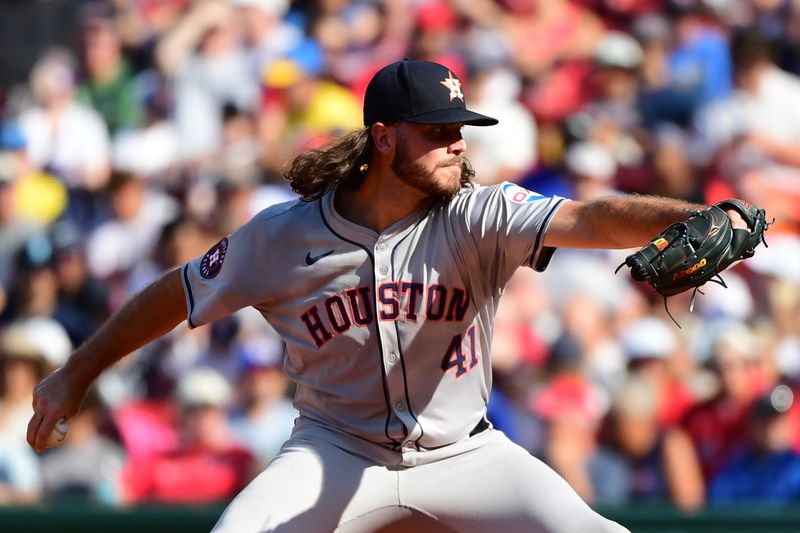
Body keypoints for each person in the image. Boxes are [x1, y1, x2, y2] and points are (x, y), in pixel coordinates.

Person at [28, 59, 754, 532]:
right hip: (335, 448)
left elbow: (590, 217)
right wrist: (74, 374)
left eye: (460, 129)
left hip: (466, 454)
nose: (456, 144)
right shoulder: (281, 237)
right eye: (438, 131)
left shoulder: (477, 213)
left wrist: (687, 215)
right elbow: (175, 295)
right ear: (383, 138)